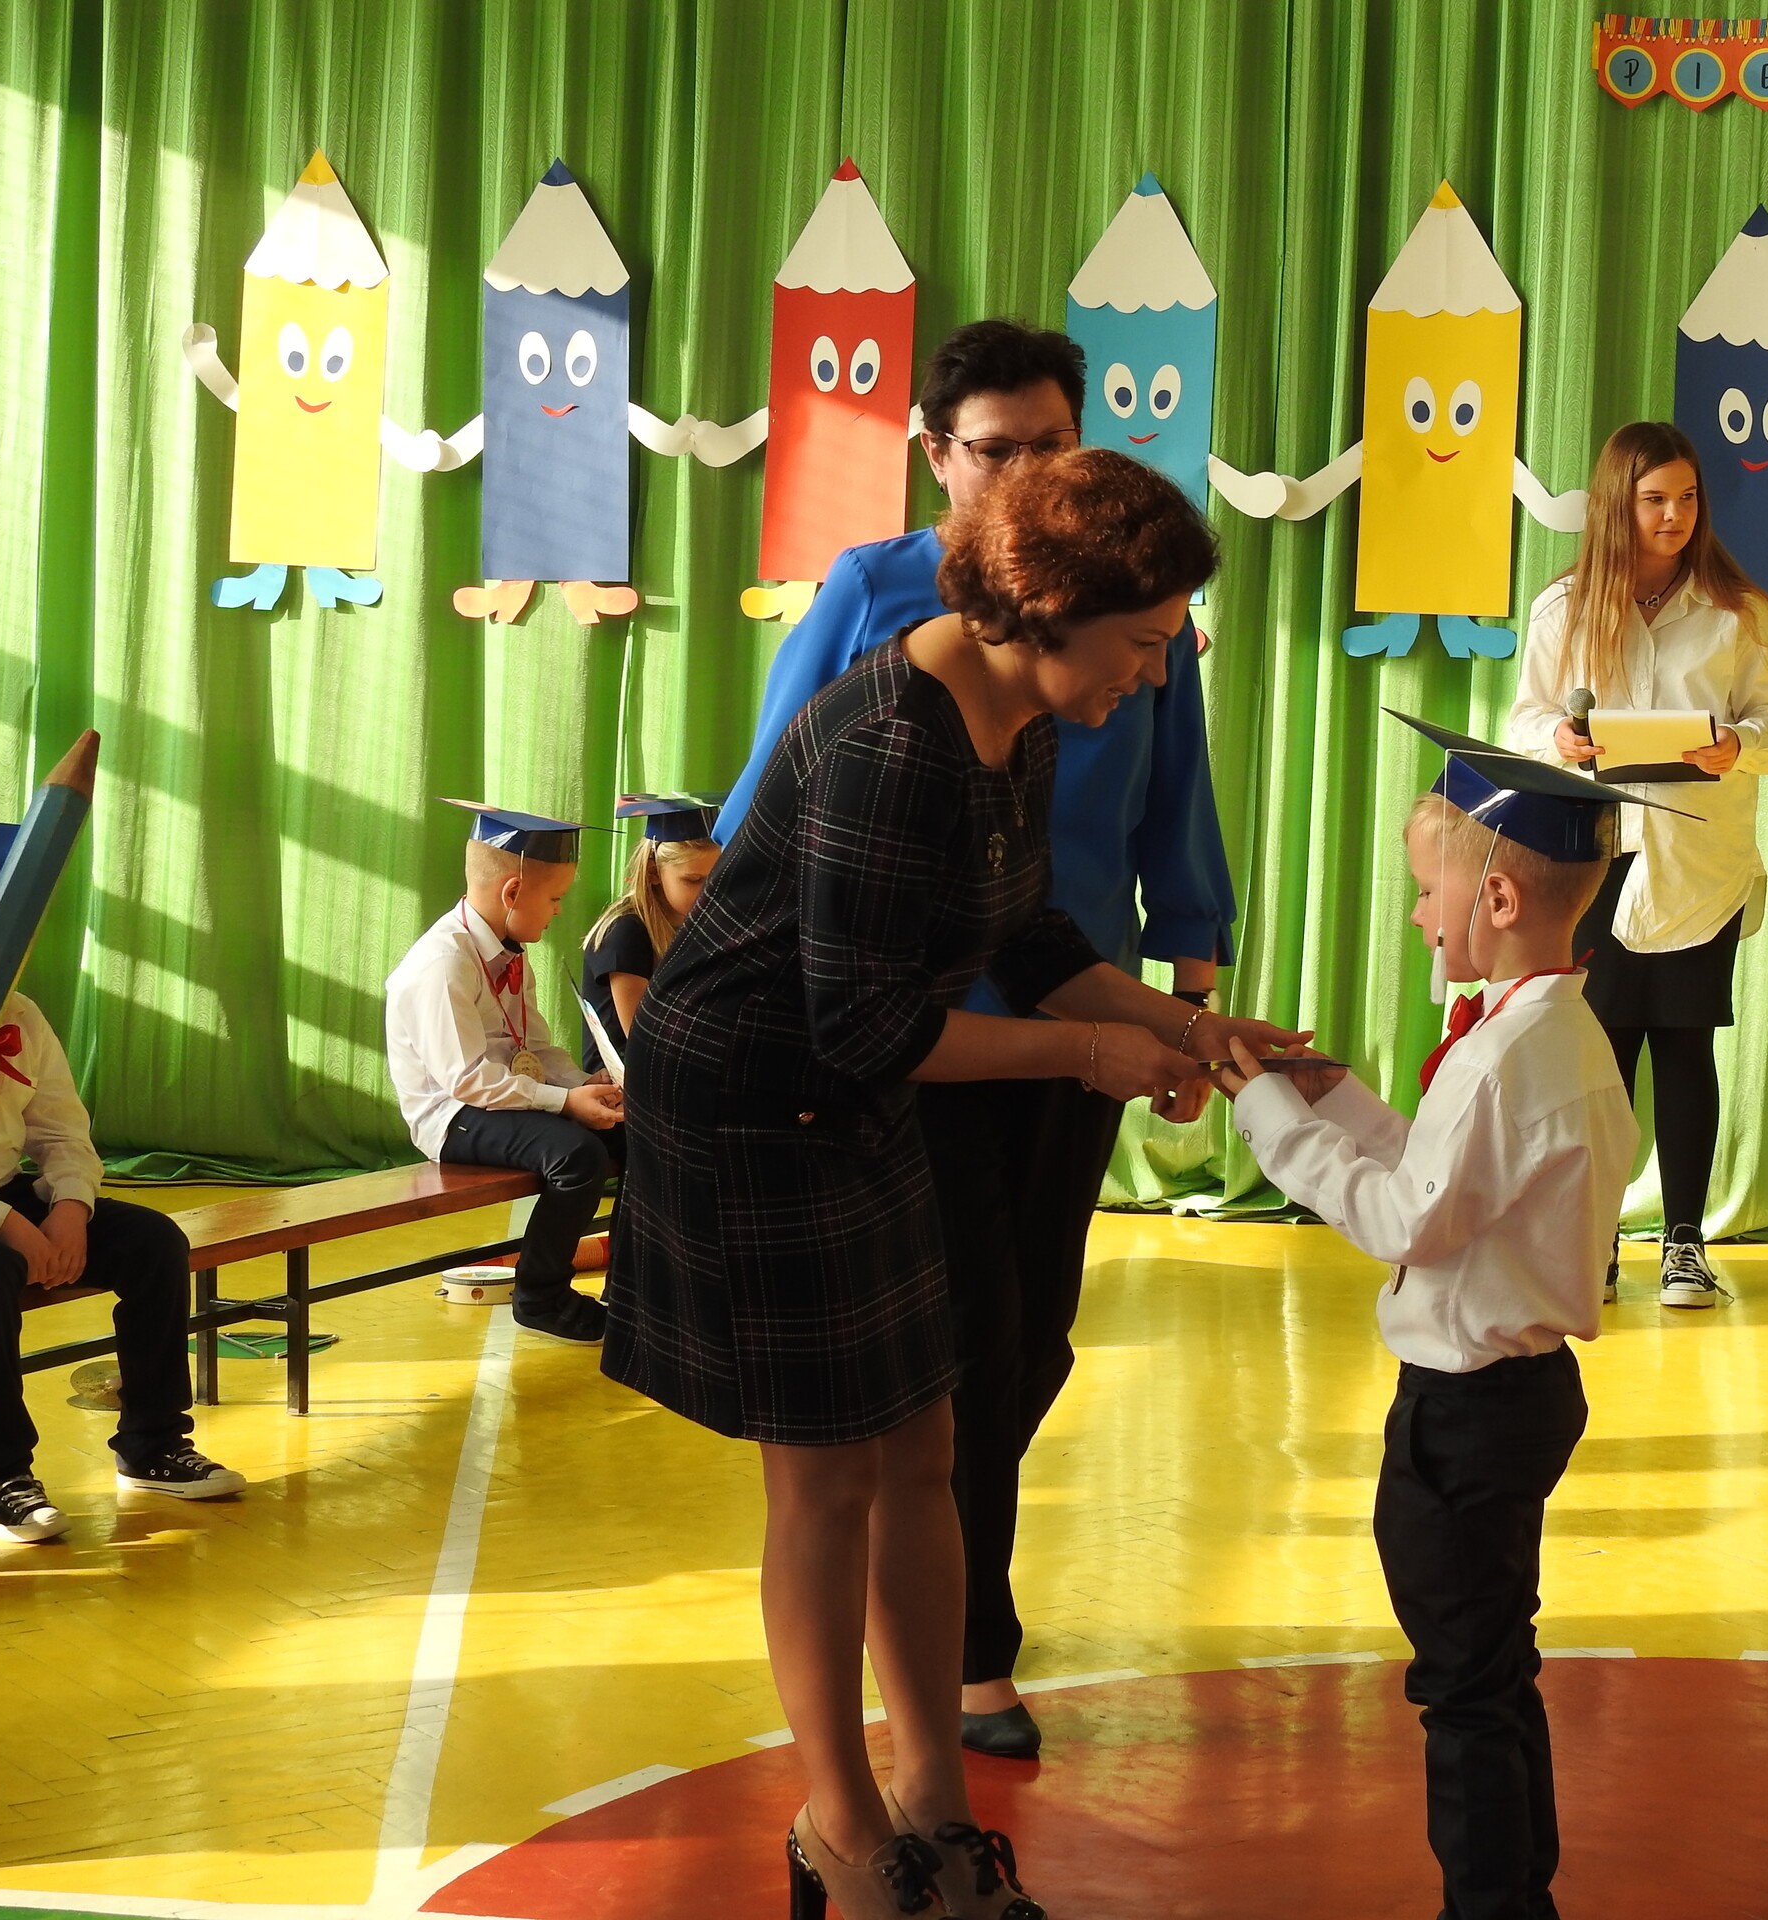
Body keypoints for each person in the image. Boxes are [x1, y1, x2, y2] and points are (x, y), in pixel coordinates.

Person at [605, 450, 1293, 1920]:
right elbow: (870, 1024)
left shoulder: (1018, 722)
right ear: (1045, 611)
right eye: (1142, 643)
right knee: (827, 1476)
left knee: (926, 1445)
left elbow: (1028, 934)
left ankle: (935, 1801)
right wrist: (1091, 1054)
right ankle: (841, 1828)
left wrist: (1191, 1029)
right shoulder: (889, 743)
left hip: (844, 1093)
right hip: (746, 1108)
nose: (1155, 674)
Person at [716, 318, 1237, 1757]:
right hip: (896, 1047)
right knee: (939, 1380)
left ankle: (927, 1689)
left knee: (1022, 1348)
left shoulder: (1097, 652)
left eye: (1053, 448)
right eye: (998, 452)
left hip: (1063, 1002)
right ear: (936, 456)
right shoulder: (895, 661)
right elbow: (780, 824)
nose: (1028, 477)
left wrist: (1183, 1005)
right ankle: (947, 1678)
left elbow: (1130, 833)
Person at [1213, 721, 1648, 1920]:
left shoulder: (1504, 1057)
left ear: (1495, 899)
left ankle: (1490, 1905)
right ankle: (1516, 1898)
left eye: (1425, 892)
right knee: (1493, 1671)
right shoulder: (1548, 1035)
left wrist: (1267, 1115)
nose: (1417, 915)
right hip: (1513, 1398)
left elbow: (1408, 1219)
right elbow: (1451, 1180)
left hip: (1465, 1414)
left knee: (1461, 1687)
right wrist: (1338, 1102)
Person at [1507, 421, 1768, 1307]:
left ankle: (1683, 1245)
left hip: (1697, 862)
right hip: (1592, 861)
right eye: (1654, 499)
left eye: (1687, 498)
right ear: (1615, 504)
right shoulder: (1563, 610)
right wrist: (1557, 739)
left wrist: (1736, 745)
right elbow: (1525, 719)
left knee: (1683, 1045)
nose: (1674, 516)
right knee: (1596, 1054)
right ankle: (1592, 1237)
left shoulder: (1736, 613)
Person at [0, 821, 244, 1543]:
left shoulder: (19, 1015)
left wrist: (68, 1207)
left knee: (153, 1241)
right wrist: (11, 1226)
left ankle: (153, 1443)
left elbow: (62, 1130)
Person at [385, 803, 624, 1344]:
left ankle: (628, 1285)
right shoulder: (443, 963)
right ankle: (541, 1297)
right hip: (454, 1116)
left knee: (628, 1133)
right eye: (556, 898)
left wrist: (580, 1085)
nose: (559, 911)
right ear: (512, 892)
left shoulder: (510, 950)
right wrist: (565, 1104)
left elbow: (534, 1046)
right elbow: (468, 1080)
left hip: (502, 1098)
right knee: (577, 1156)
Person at [579, 793, 722, 1070]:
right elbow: (645, 1041)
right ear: (654, 872)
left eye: (716, 878)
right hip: (624, 1084)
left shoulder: (697, 924)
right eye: (693, 880)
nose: (708, 893)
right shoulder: (624, 932)